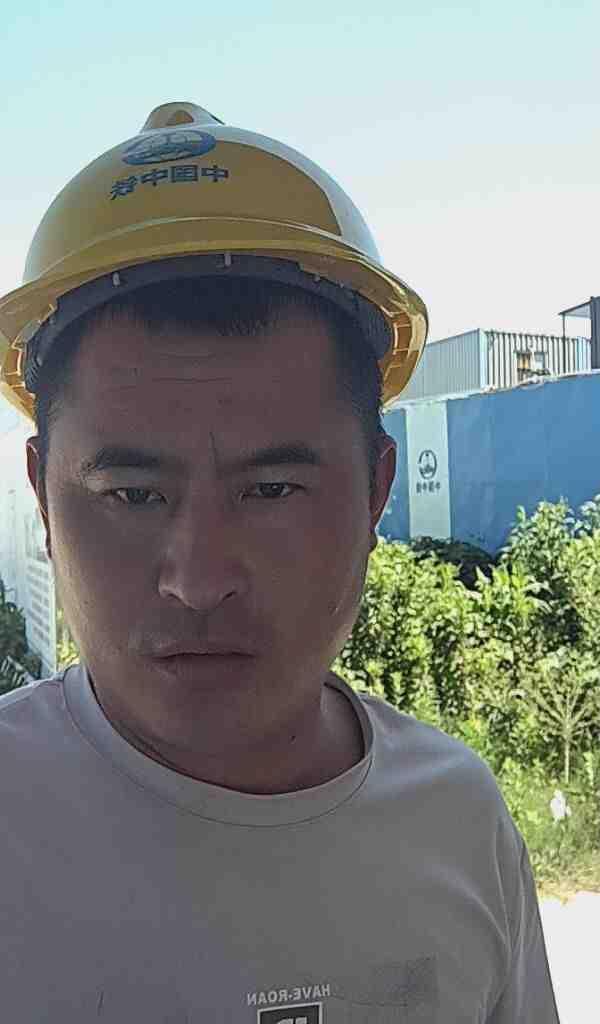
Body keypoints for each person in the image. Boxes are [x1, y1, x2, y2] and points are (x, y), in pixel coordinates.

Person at [0, 102, 559, 1022]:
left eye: (272, 490)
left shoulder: (458, 824)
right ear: (43, 497)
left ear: (376, 492)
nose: (198, 579)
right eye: (132, 494)